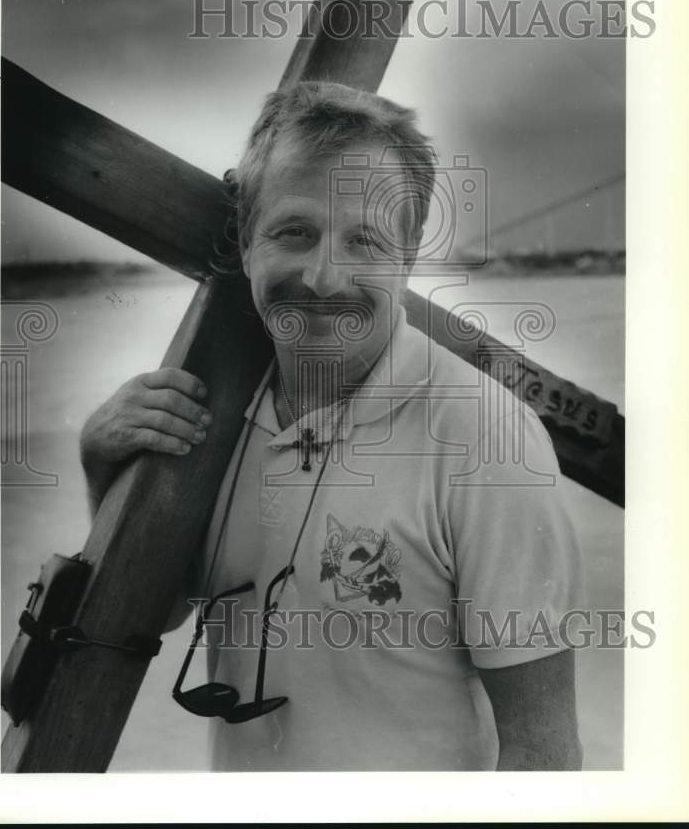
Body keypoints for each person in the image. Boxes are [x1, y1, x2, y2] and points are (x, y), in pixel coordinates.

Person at [80, 82, 584, 771]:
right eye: (294, 232)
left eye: (364, 241)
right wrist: (102, 471)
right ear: (247, 244)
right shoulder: (210, 411)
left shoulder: (485, 439)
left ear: (405, 260)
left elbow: (542, 749)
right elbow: (155, 612)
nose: (322, 277)